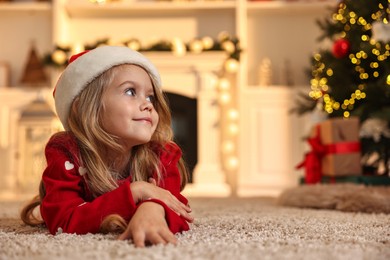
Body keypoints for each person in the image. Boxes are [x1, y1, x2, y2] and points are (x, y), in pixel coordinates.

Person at [20, 45, 194, 247]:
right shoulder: (66, 152)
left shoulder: (161, 154)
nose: (148, 105)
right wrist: (135, 191)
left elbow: (179, 209)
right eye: (130, 91)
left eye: (150, 97)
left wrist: (151, 209)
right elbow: (63, 221)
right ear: (85, 108)